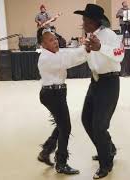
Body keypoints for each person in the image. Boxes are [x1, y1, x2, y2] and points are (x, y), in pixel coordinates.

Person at [74, 4, 125, 179]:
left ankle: (106, 163)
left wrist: (100, 47)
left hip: (109, 82)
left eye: (86, 21)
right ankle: (108, 149)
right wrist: (86, 50)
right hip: (95, 81)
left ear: (96, 21)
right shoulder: (90, 36)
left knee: (99, 125)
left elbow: (120, 54)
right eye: (83, 20)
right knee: (86, 119)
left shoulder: (109, 35)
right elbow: (88, 57)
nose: (83, 24)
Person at [37, 29, 89, 175]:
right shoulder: (46, 58)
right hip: (52, 94)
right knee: (65, 127)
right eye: (51, 40)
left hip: (57, 93)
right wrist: (88, 51)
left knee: (62, 125)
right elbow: (69, 61)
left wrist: (84, 48)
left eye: (55, 39)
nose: (55, 42)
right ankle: (61, 163)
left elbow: (70, 54)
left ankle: (46, 152)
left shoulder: (55, 53)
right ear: (43, 44)